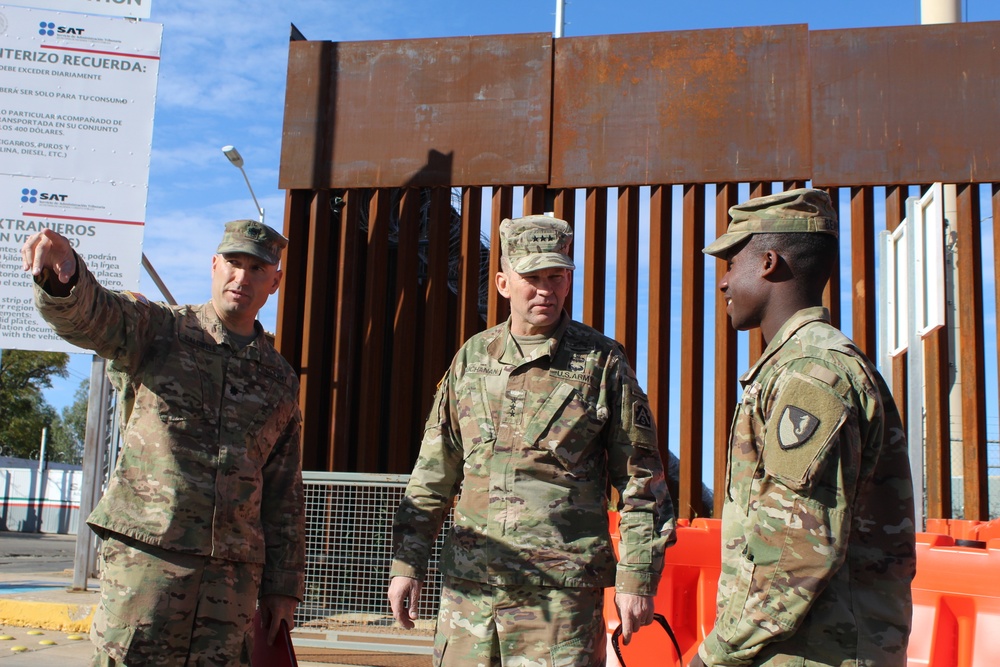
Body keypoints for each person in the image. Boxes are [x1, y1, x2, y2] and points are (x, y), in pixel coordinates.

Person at [387, 214, 676, 666]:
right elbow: (434, 470)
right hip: (470, 595)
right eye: (532, 277)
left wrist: (637, 578)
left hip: (558, 604)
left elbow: (643, 482)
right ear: (503, 283)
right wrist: (408, 562)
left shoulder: (601, 362)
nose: (546, 289)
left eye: (556, 276)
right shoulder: (472, 359)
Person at [21, 220, 305, 666]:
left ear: (275, 280)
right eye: (233, 262)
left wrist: (282, 587)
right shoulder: (160, 331)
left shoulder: (279, 378)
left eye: (257, 267)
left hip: (229, 586)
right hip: (148, 568)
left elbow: (283, 491)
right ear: (214, 265)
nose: (242, 277)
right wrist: (68, 276)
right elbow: (96, 317)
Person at [692, 189, 916, 667]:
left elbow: (796, 551)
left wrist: (715, 654)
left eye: (732, 263)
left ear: (769, 262)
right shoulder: (802, 366)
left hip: (812, 652)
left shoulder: (810, 372)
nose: (724, 283)